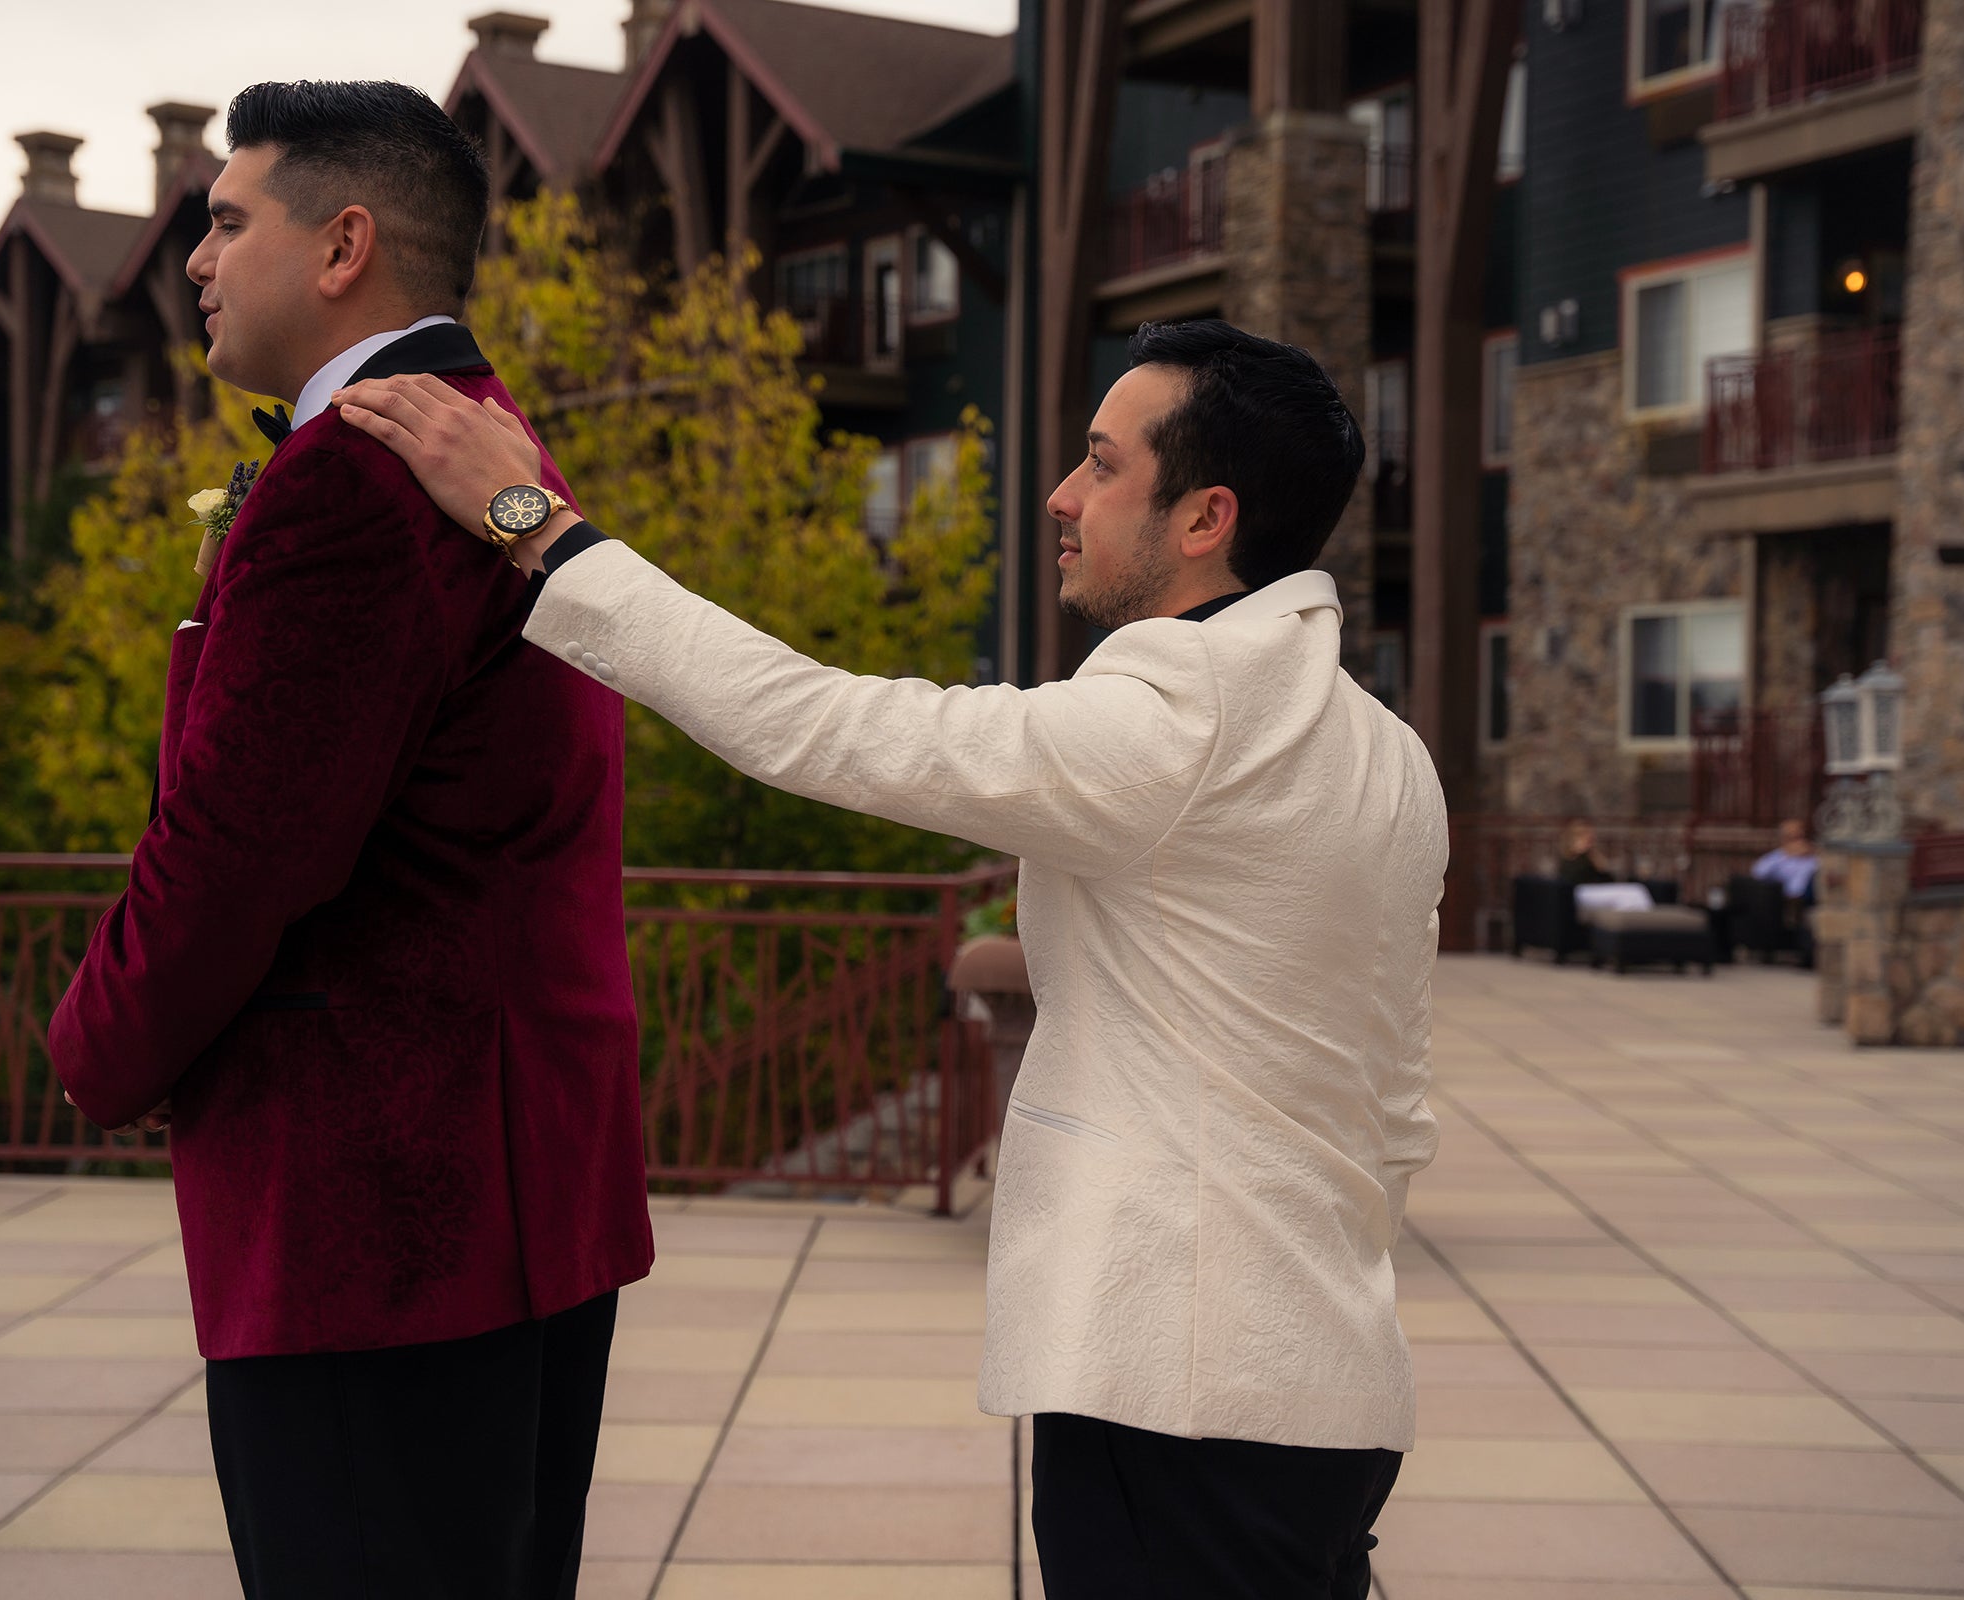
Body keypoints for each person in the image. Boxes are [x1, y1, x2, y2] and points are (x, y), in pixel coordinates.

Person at [338, 320, 1444, 1600]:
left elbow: (822, 724)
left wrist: (535, 526)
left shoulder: (1181, 717)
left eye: (1100, 463)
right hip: (1330, 1376)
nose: (1062, 497)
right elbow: (1397, 1103)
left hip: (1179, 1384)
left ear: (1206, 518)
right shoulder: (1386, 750)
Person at [48, 80, 651, 1600]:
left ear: (346, 247)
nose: (194, 258)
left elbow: (240, 849)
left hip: (382, 1220)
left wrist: (91, 1046)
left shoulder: (358, 477)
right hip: (513, 1193)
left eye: (227, 219)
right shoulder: (488, 446)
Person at [1751, 816, 1819, 904]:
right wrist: (1786, 855)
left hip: (1810, 900)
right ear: (1783, 839)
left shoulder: (1813, 856)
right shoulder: (1777, 856)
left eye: (1799, 837)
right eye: (1791, 838)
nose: (1797, 842)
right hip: (1783, 901)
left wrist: (1814, 851)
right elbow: (1758, 872)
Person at [1556, 818, 1615, 884]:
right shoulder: (1568, 861)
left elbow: (1608, 879)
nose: (1589, 841)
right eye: (1584, 836)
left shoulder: (1593, 857)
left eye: (1590, 838)